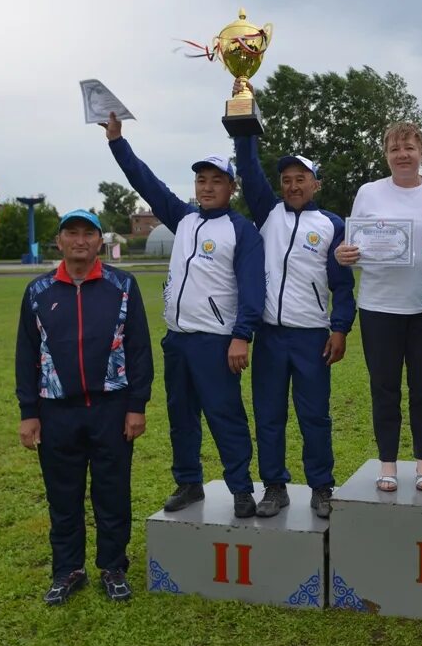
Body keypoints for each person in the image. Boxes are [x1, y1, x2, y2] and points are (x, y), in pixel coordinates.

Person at [102, 112, 266, 519]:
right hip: (177, 340)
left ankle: (241, 489)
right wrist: (117, 142)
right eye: (201, 181)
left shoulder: (240, 229)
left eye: (216, 181)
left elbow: (252, 288)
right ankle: (188, 481)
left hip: (217, 342)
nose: (207, 188)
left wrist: (241, 335)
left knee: (225, 416)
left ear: (231, 187)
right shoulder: (183, 217)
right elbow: (145, 181)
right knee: (181, 416)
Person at [15, 209, 154, 605]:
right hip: (56, 410)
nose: (80, 241)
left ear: (99, 241)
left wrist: (136, 406)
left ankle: (113, 567)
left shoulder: (122, 285)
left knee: (112, 492)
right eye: (71, 234)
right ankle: (67, 570)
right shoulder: (38, 291)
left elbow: (138, 349)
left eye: (88, 234)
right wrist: (29, 412)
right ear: (59, 242)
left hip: (111, 408)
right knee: (63, 495)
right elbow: (26, 355)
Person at [231, 82, 356, 519]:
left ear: (315, 183)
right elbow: (247, 167)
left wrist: (339, 328)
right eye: (285, 180)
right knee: (268, 416)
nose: (291, 185)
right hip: (269, 335)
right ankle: (275, 486)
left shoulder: (331, 224)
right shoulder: (267, 213)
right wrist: (244, 117)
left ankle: (322, 486)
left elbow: (342, 285)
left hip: (311, 337)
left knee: (314, 417)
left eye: (300, 179)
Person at [335, 123, 422, 492]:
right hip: (378, 307)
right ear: (385, 154)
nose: (402, 154)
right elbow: (352, 247)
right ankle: (387, 463)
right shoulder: (368, 193)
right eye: (394, 148)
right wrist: (344, 254)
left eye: (410, 147)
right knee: (384, 388)